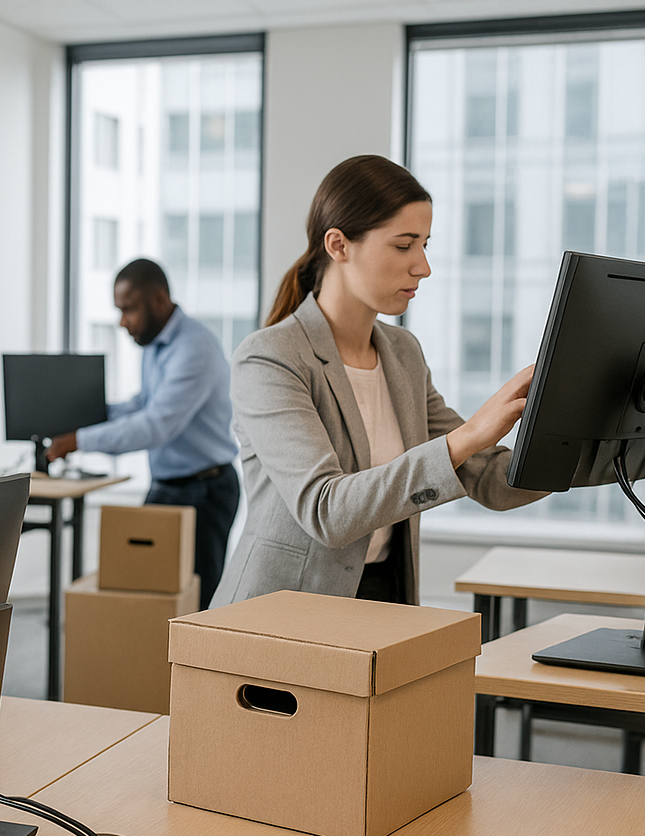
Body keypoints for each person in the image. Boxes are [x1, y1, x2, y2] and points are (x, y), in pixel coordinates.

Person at [210, 155, 544, 609]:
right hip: (279, 614)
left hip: (382, 599)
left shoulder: (402, 353)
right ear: (338, 245)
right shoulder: (270, 357)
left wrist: (608, 445)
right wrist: (467, 436)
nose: (422, 266)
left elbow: (489, 479)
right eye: (404, 245)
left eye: (425, 245)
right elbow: (327, 510)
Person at [46, 259, 240, 609]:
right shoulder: (156, 344)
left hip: (205, 491)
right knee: (145, 596)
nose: (123, 322)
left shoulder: (194, 347)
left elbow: (157, 425)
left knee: (195, 604)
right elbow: (143, 404)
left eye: (129, 310)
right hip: (169, 485)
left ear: (160, 300)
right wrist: (86, 415)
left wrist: (79, 441)